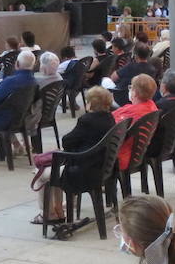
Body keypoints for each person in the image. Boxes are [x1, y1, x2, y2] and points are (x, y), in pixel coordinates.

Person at [36, 86, 115, 224]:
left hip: (84, 170)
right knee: (54, 171)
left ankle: (47, 214)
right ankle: (58, 210)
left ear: (90, 103)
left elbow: (67, 141)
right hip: (102, 168)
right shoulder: (109, 118)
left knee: (41, 175)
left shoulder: (87, 120)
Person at [113, 74, 161, 171]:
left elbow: (111, 128)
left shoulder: (133, 113)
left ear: (135, 93)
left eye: (131, 87)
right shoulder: (151, 107)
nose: (130, 90)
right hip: (135, 154)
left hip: (120, 156)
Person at [110, 42, 159, 107]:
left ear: (135, 55)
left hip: (123, 98)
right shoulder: (152, 69)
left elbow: (113, 77)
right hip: (143, 97)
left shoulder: (130, 66)